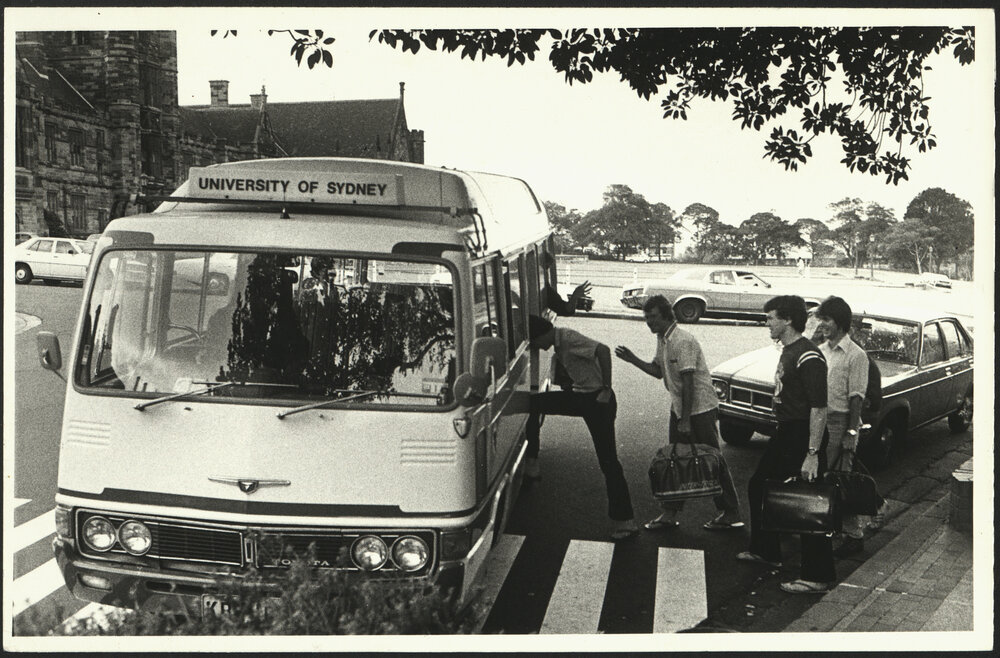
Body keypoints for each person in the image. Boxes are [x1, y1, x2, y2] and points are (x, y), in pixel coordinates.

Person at [615, 295, 744, 531]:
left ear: (666, 315)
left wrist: (685, 420)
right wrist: (632, 359)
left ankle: (731, 512)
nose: (648, 322)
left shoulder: (683, 341)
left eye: (652, 317)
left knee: (712, 459)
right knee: (674, 459)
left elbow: (689, 382)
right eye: (646, 317)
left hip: (700, 409)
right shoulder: (663, 339)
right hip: (680, 408)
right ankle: (669, 513)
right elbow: (657, 371)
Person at [738, 295, 835, 595]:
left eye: (771, 318)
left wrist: (812, 454)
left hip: (804, 435)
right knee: (760, 485)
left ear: (788, 320)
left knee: (809, 503)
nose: (767, 323)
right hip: (787, 432)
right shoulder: (789, 351)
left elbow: (819, 408)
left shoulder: (808, 356)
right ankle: (767, 551)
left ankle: (818, 575)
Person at [526, 314, 638, 540]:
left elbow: (603, 350)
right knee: (531, 404)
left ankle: (625, 521)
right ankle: (532, 462)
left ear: (542, 334)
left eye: (534, 341)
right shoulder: (559, 345)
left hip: (598, 402)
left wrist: (606, 387)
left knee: (608, 461)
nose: (535, 346)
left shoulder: (567, 337)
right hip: (580, 397)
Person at [814, 296, 870, 557]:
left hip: (841, 422)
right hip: (820, 420)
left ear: (840, 322)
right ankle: (830, 527)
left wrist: (851, 432)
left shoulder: (856, 355)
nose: (821, 323)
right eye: (821, 318)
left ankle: (853, 534)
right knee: (823, 477)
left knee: (841, 480)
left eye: (826, 319)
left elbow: (856, 396)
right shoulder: (822, 350)